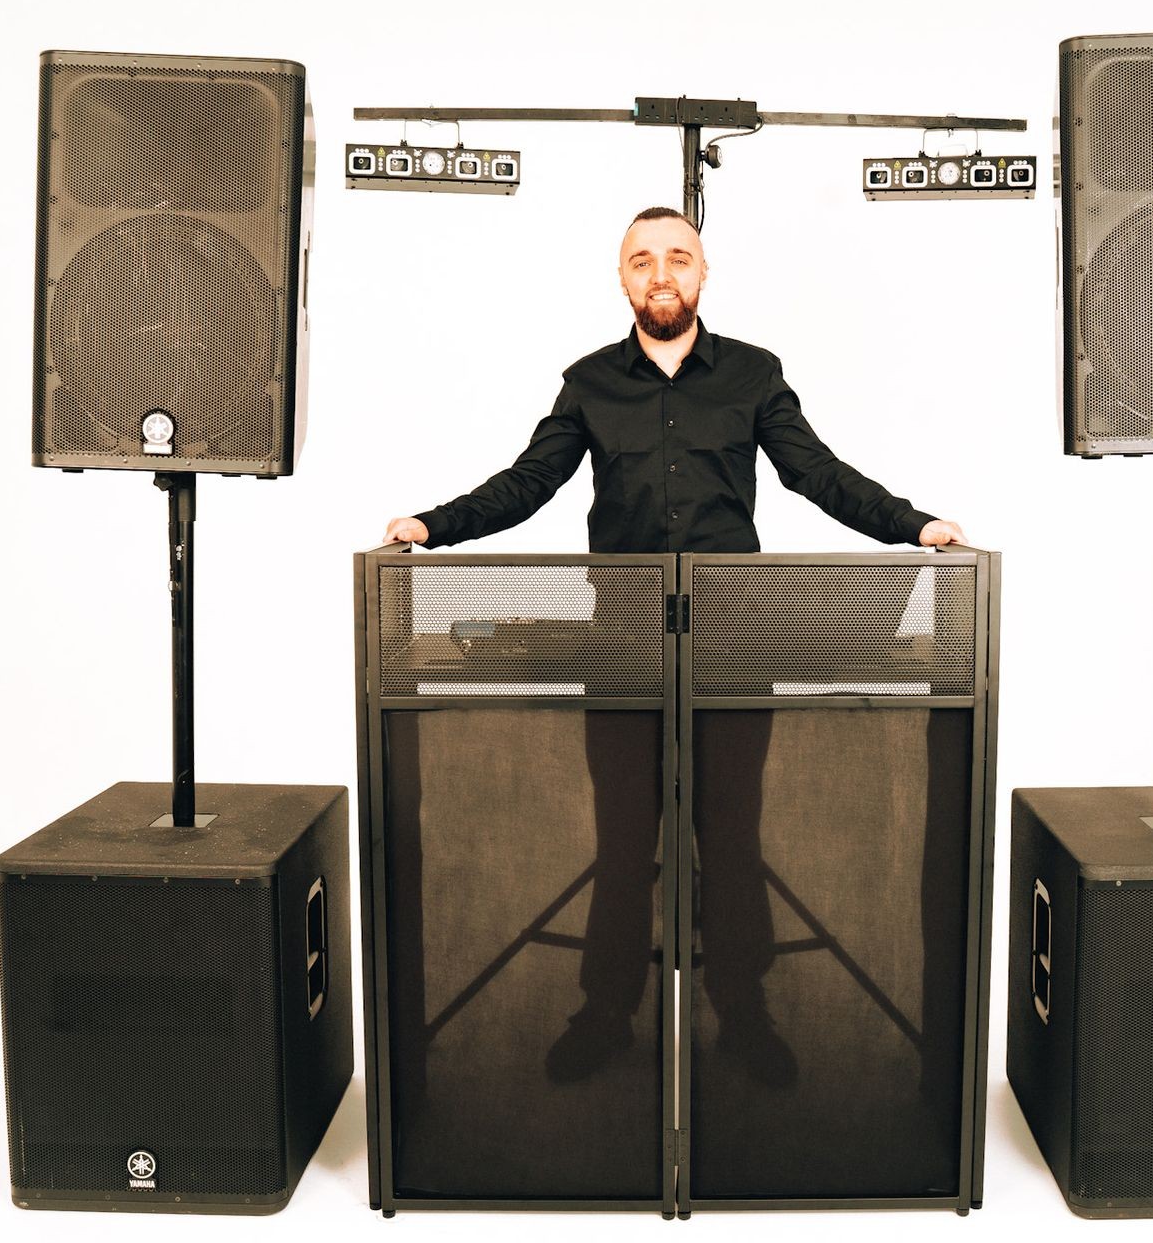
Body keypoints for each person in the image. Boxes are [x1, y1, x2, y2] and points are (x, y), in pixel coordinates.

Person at [385, 206, 964, 1087]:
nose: (663, 274)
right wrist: (435, 525)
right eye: (643, 260)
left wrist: (914, 524)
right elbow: (530, 482)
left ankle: (746, 1015)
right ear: (622, 279)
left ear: (704, 273)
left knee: (731, 836)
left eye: (679, 258)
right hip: (620, 643)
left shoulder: (753, 374)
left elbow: (817, 473)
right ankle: (606, 1014)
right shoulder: (587, 383)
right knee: (622, 841)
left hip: (735, 640)